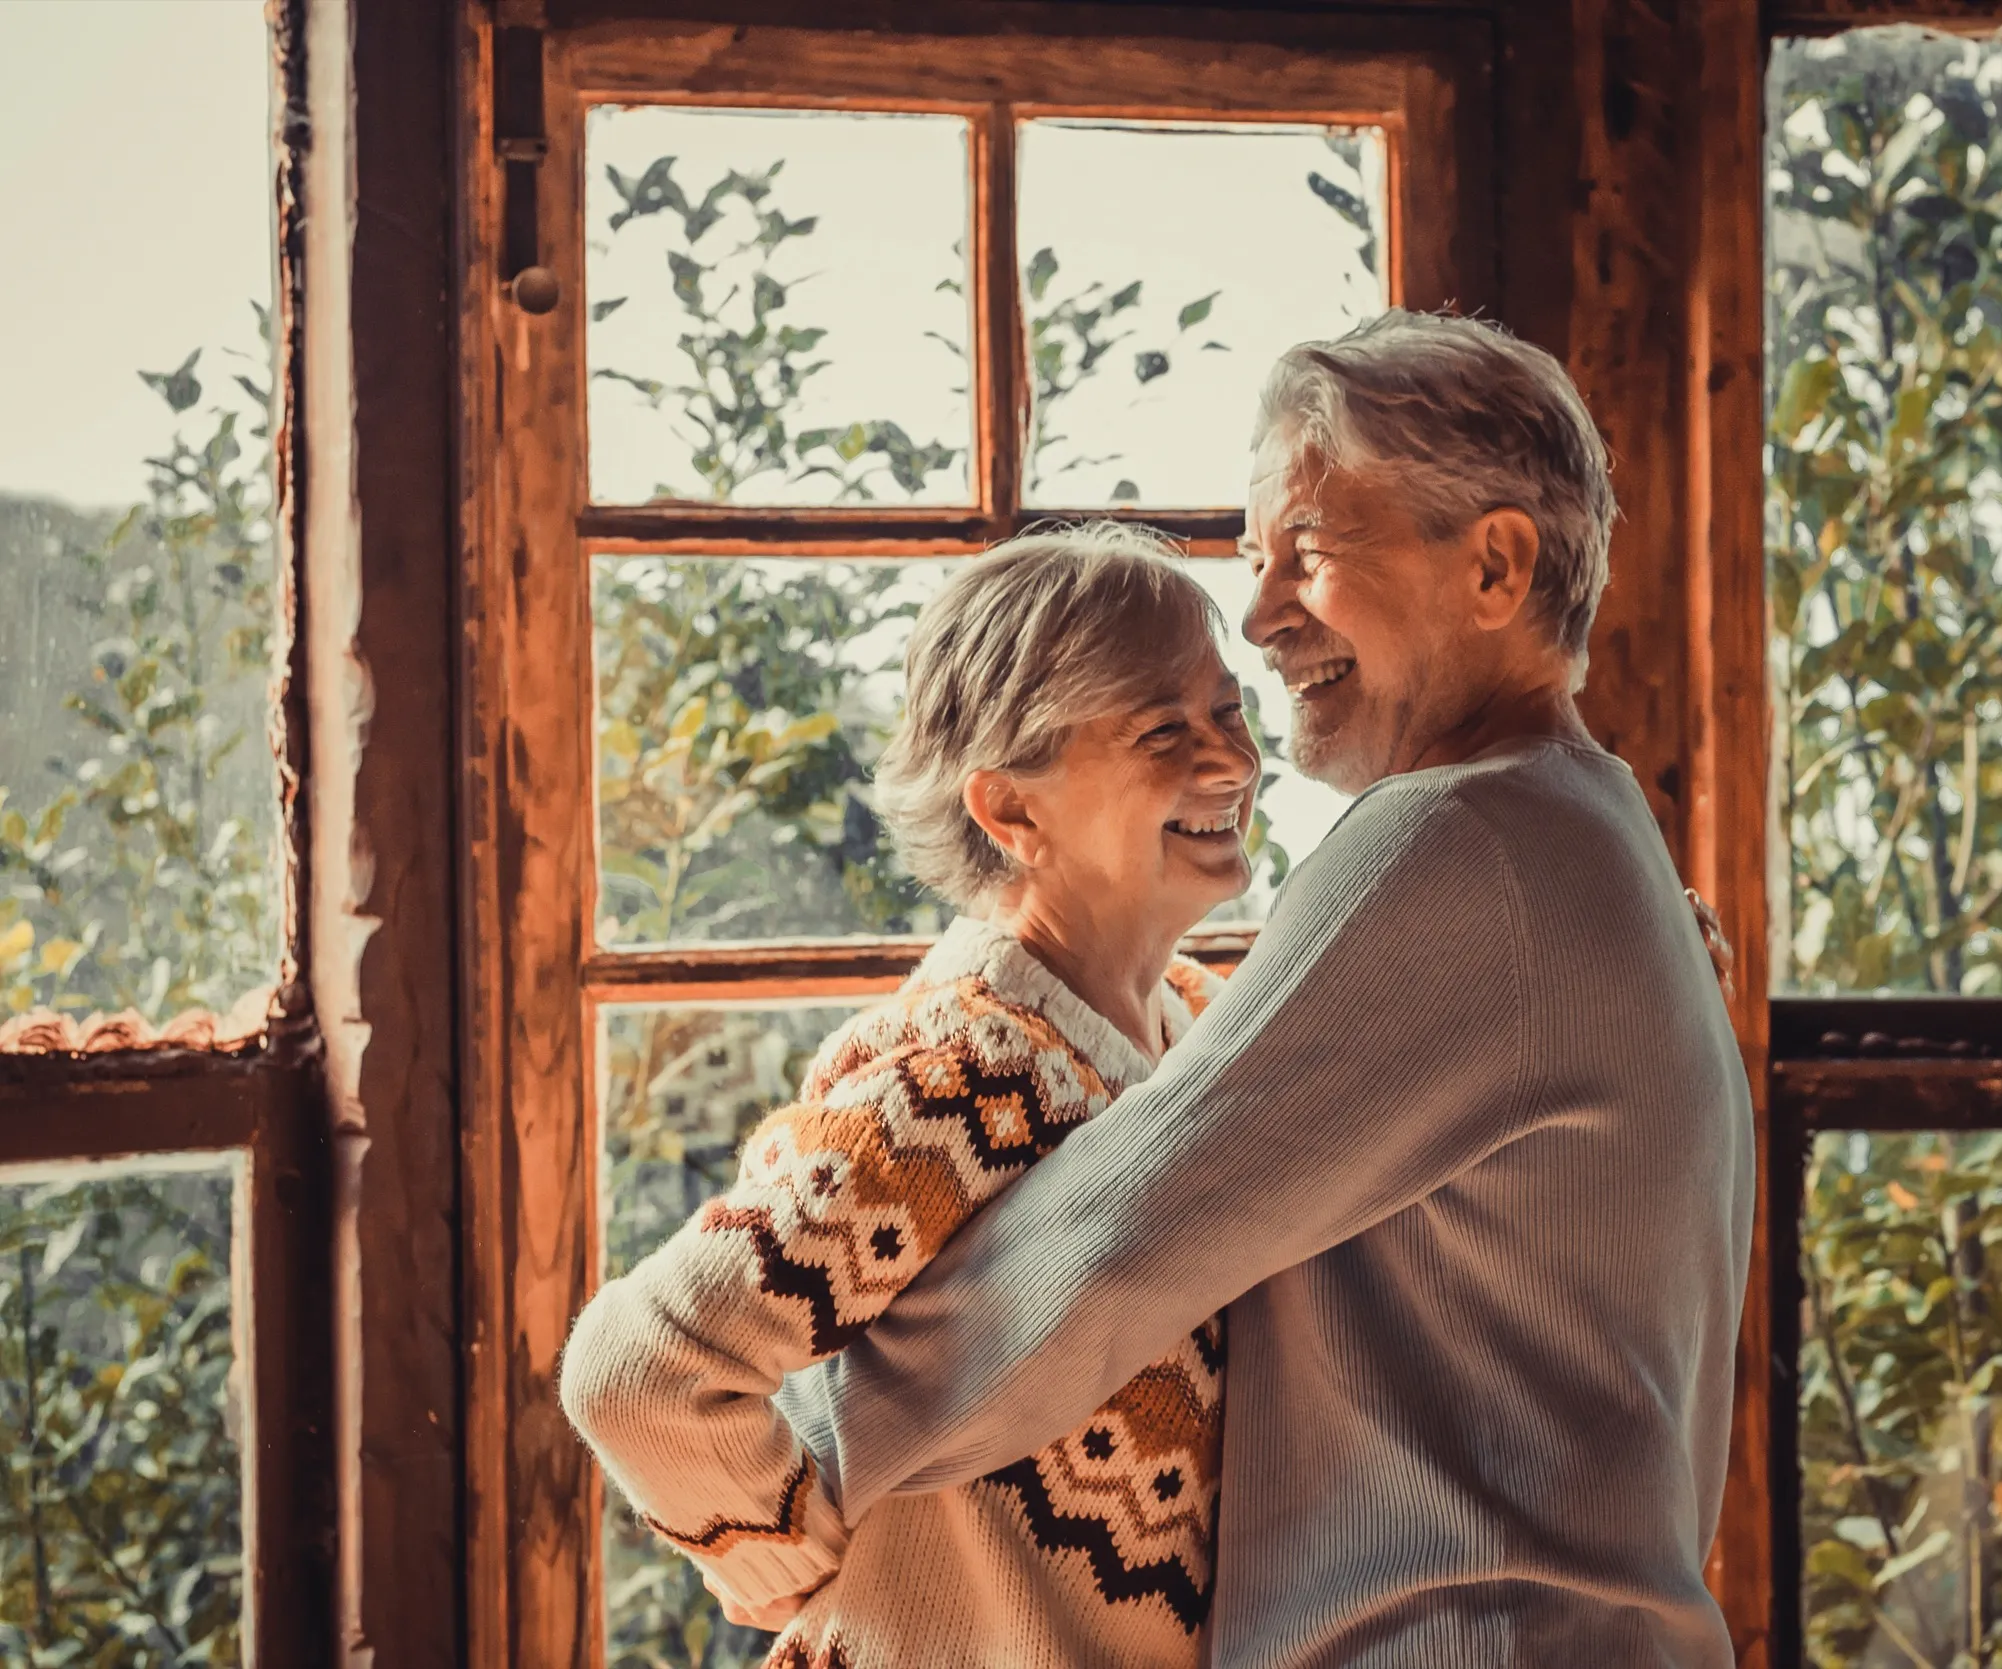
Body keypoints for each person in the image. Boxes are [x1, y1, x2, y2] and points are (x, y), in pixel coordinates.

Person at [772, 309, 1756, 1668]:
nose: (1259, 615)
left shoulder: (1461, 842)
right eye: (1255, 556)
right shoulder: (1585, 839)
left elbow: (1121, 1232)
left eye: (1307, 551)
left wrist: (785, 1467)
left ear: (1496, 565)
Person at [561, 526, 1265, 1668]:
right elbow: (640, 1368)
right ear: (1009, 811)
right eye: (1160, 731)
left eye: (1228, 711)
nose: (1229, 762)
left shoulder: (1202, 1015)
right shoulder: (956, 1071)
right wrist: (783, 1544)